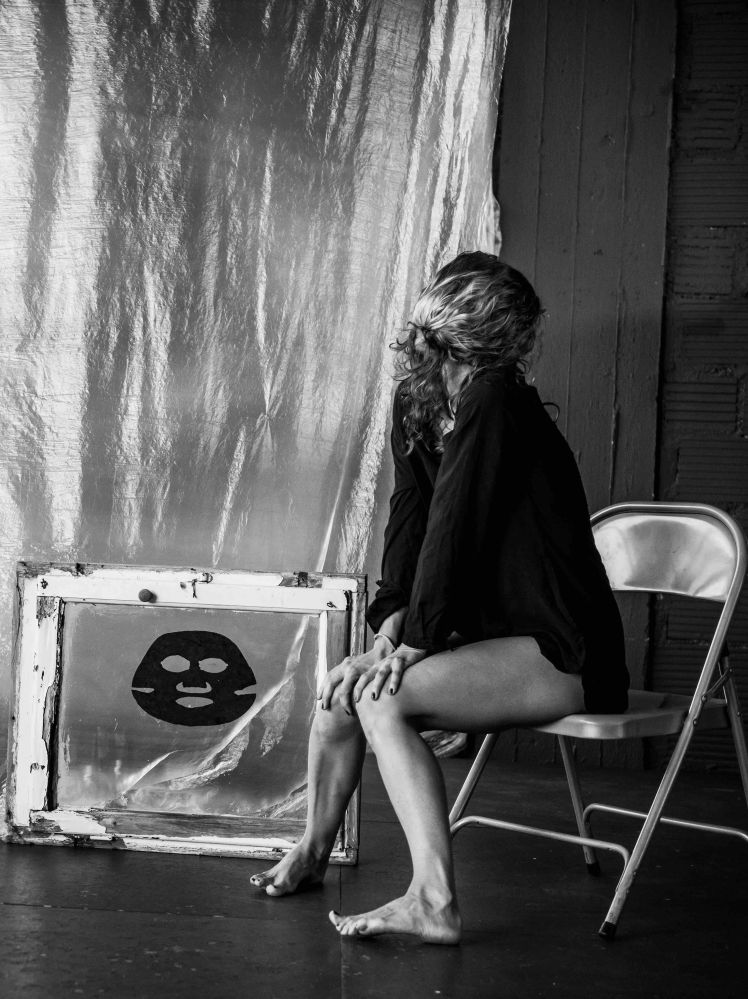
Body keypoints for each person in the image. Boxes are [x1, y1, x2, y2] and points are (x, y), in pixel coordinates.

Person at [248, 251, 628, 943]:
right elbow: (413, 516)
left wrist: (417, 641)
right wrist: (390, 630)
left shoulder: (496, 399)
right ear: (499, 330)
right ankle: (312, 850)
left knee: (381, 697)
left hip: (564, 647)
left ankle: (434, 899)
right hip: (490, 637)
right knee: (344, 691)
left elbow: (459, 524)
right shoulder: (417, 399)